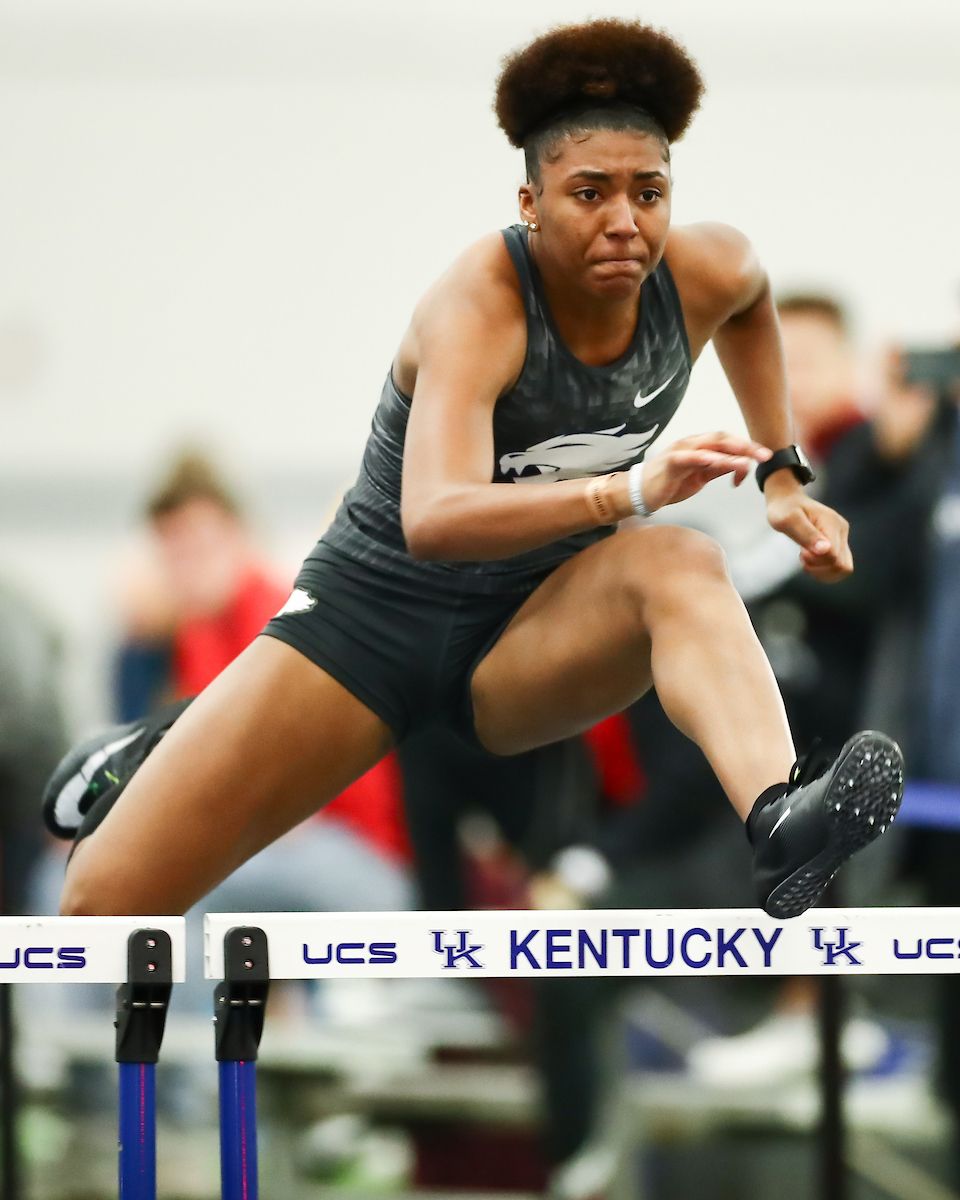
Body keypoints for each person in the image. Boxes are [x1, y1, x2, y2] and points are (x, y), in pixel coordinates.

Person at [55, 19, 902, 926]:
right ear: (531, 203)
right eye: (590, 193)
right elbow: (436, 517)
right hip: (368, 630)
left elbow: (751, 303)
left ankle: (779, 824)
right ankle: (166, 740)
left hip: (526, 635)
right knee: (99, 908)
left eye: (648, 194)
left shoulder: (709, 267)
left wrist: (782, 475)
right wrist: (630, 490)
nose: (625, 221)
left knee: (681, 562)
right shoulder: (482, 302)